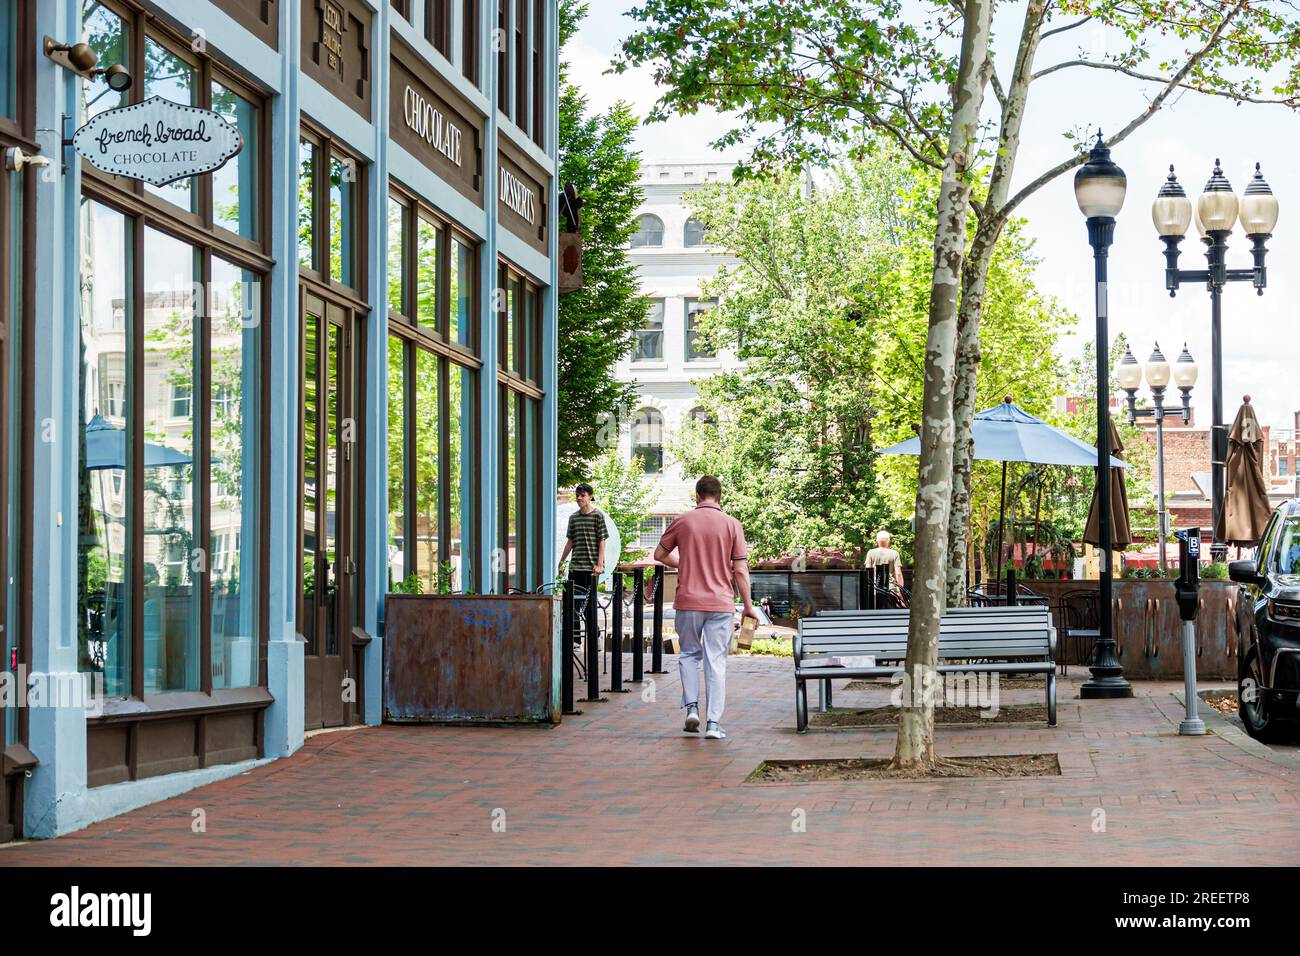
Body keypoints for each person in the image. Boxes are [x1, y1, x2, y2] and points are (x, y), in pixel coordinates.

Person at [654, 475, 756, 740]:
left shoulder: (682, 521)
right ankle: (713, 723)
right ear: (719, 497)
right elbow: (740, 569)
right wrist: (748, 605)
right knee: (715, 661)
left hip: (688, 601)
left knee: (689, 654)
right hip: (721, 603)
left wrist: (685, 564)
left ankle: (691, 709)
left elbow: (659, 555)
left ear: (697, 496)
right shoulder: (732, 525)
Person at [558, 483, 607, 603]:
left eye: (582, 495)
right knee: (573, 604)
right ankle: (575, 623)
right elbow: (570, 541)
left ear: (590, 497)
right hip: (575, 567)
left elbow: (602, 540)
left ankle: (591, 623)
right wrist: (562, 562)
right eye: (577, 495)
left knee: (590, 605)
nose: (579, 498)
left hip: (591, 568)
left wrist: (600, 564)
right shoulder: (573, 518)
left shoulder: (598, 516)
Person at [865, 530, 905, 594]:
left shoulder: (870, 553)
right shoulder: (894, 553)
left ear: (877, 540)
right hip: (890, 589)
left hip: (875, 588)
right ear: (888, 540)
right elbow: (898, 574)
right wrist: (900, 591)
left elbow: (867, 571)